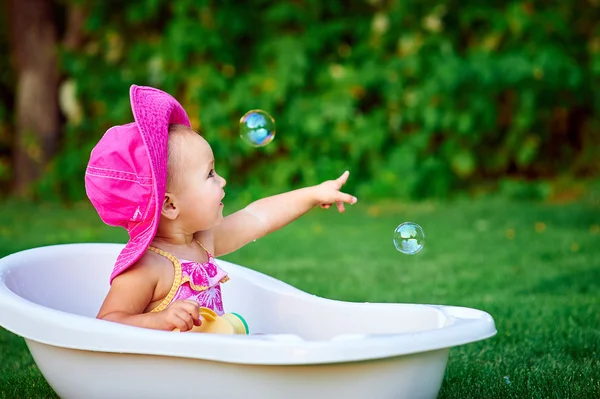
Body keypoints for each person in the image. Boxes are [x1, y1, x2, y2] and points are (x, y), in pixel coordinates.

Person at [85, 85, 357, 332]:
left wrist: (311, 194)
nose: (222, 180)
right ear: (169, 204)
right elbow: (106, 324)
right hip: (167, 374)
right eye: (210, 174)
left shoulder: (203, 241)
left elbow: (258, 217)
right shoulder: (147, 267)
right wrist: (158, 320)